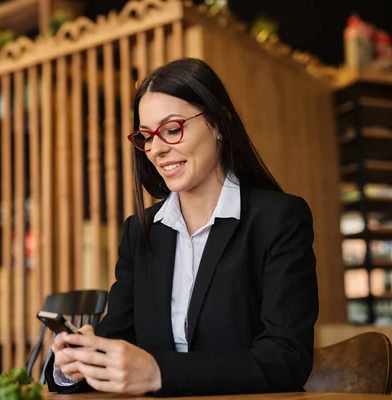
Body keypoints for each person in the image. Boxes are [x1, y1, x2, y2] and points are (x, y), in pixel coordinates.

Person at [45, 57, 319, 396]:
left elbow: (285, 359)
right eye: (146, 137)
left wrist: (157, 373)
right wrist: (75, 363)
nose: (157, 149)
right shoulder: (140, 233)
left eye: (172, 129)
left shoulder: (278, 219)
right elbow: (117, 343)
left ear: (220, 123)